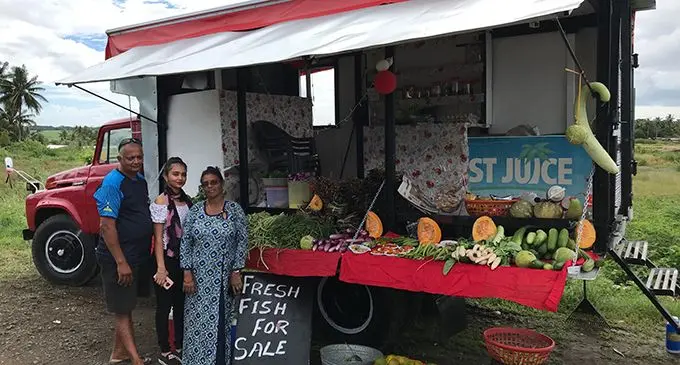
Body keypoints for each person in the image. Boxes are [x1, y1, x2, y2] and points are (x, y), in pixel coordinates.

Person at [180, 166, 248, 365]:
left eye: (214, 182)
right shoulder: (195, 211)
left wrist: (236, 271)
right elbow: (186, 242)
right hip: (198, 281)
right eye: (206, 184)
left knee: (220, 323)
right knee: (196, 324)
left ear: (221, 184)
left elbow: (242, 242)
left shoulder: (234, 210)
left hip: (222, 280)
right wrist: (187, 273)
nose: (210, 187)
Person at [94, 138, 153, 365]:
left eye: (139, 157)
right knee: (122, 310)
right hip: (118, 258)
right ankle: (136, 359)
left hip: (136, 254)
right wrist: (120, 262)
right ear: (119, 159)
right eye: (130, 158)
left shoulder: (139, 181)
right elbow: (107, 226)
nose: (136, 161)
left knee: (127, 305)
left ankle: (119, 354)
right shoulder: (112, 184)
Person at [150, 157, 192, 365]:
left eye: (183, 174)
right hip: (165, 259)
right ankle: (165, 349)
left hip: (183, 261)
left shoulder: (188, 201)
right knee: (164, 306)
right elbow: (158, 238)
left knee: (181, 304)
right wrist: (160, 268)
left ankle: (181, 344)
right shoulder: (161, 202)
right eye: (175, 174)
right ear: (166, 176)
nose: (180, 178)